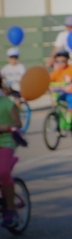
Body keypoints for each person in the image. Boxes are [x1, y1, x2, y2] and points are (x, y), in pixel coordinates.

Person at [0, 79, 21, 228]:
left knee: (2, 171)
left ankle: (11, 210)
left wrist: (7, 127)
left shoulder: (7, 103)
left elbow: (18, 123)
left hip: (6, 141)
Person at [49, 51, 72, 133]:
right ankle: (56, 116)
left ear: (67, 60)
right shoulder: (57, 71)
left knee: (71, 108)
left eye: (63, 61)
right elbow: (49, 78)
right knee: (54, 97)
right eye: (57, 61)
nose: (60, 63)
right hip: (63, 92)